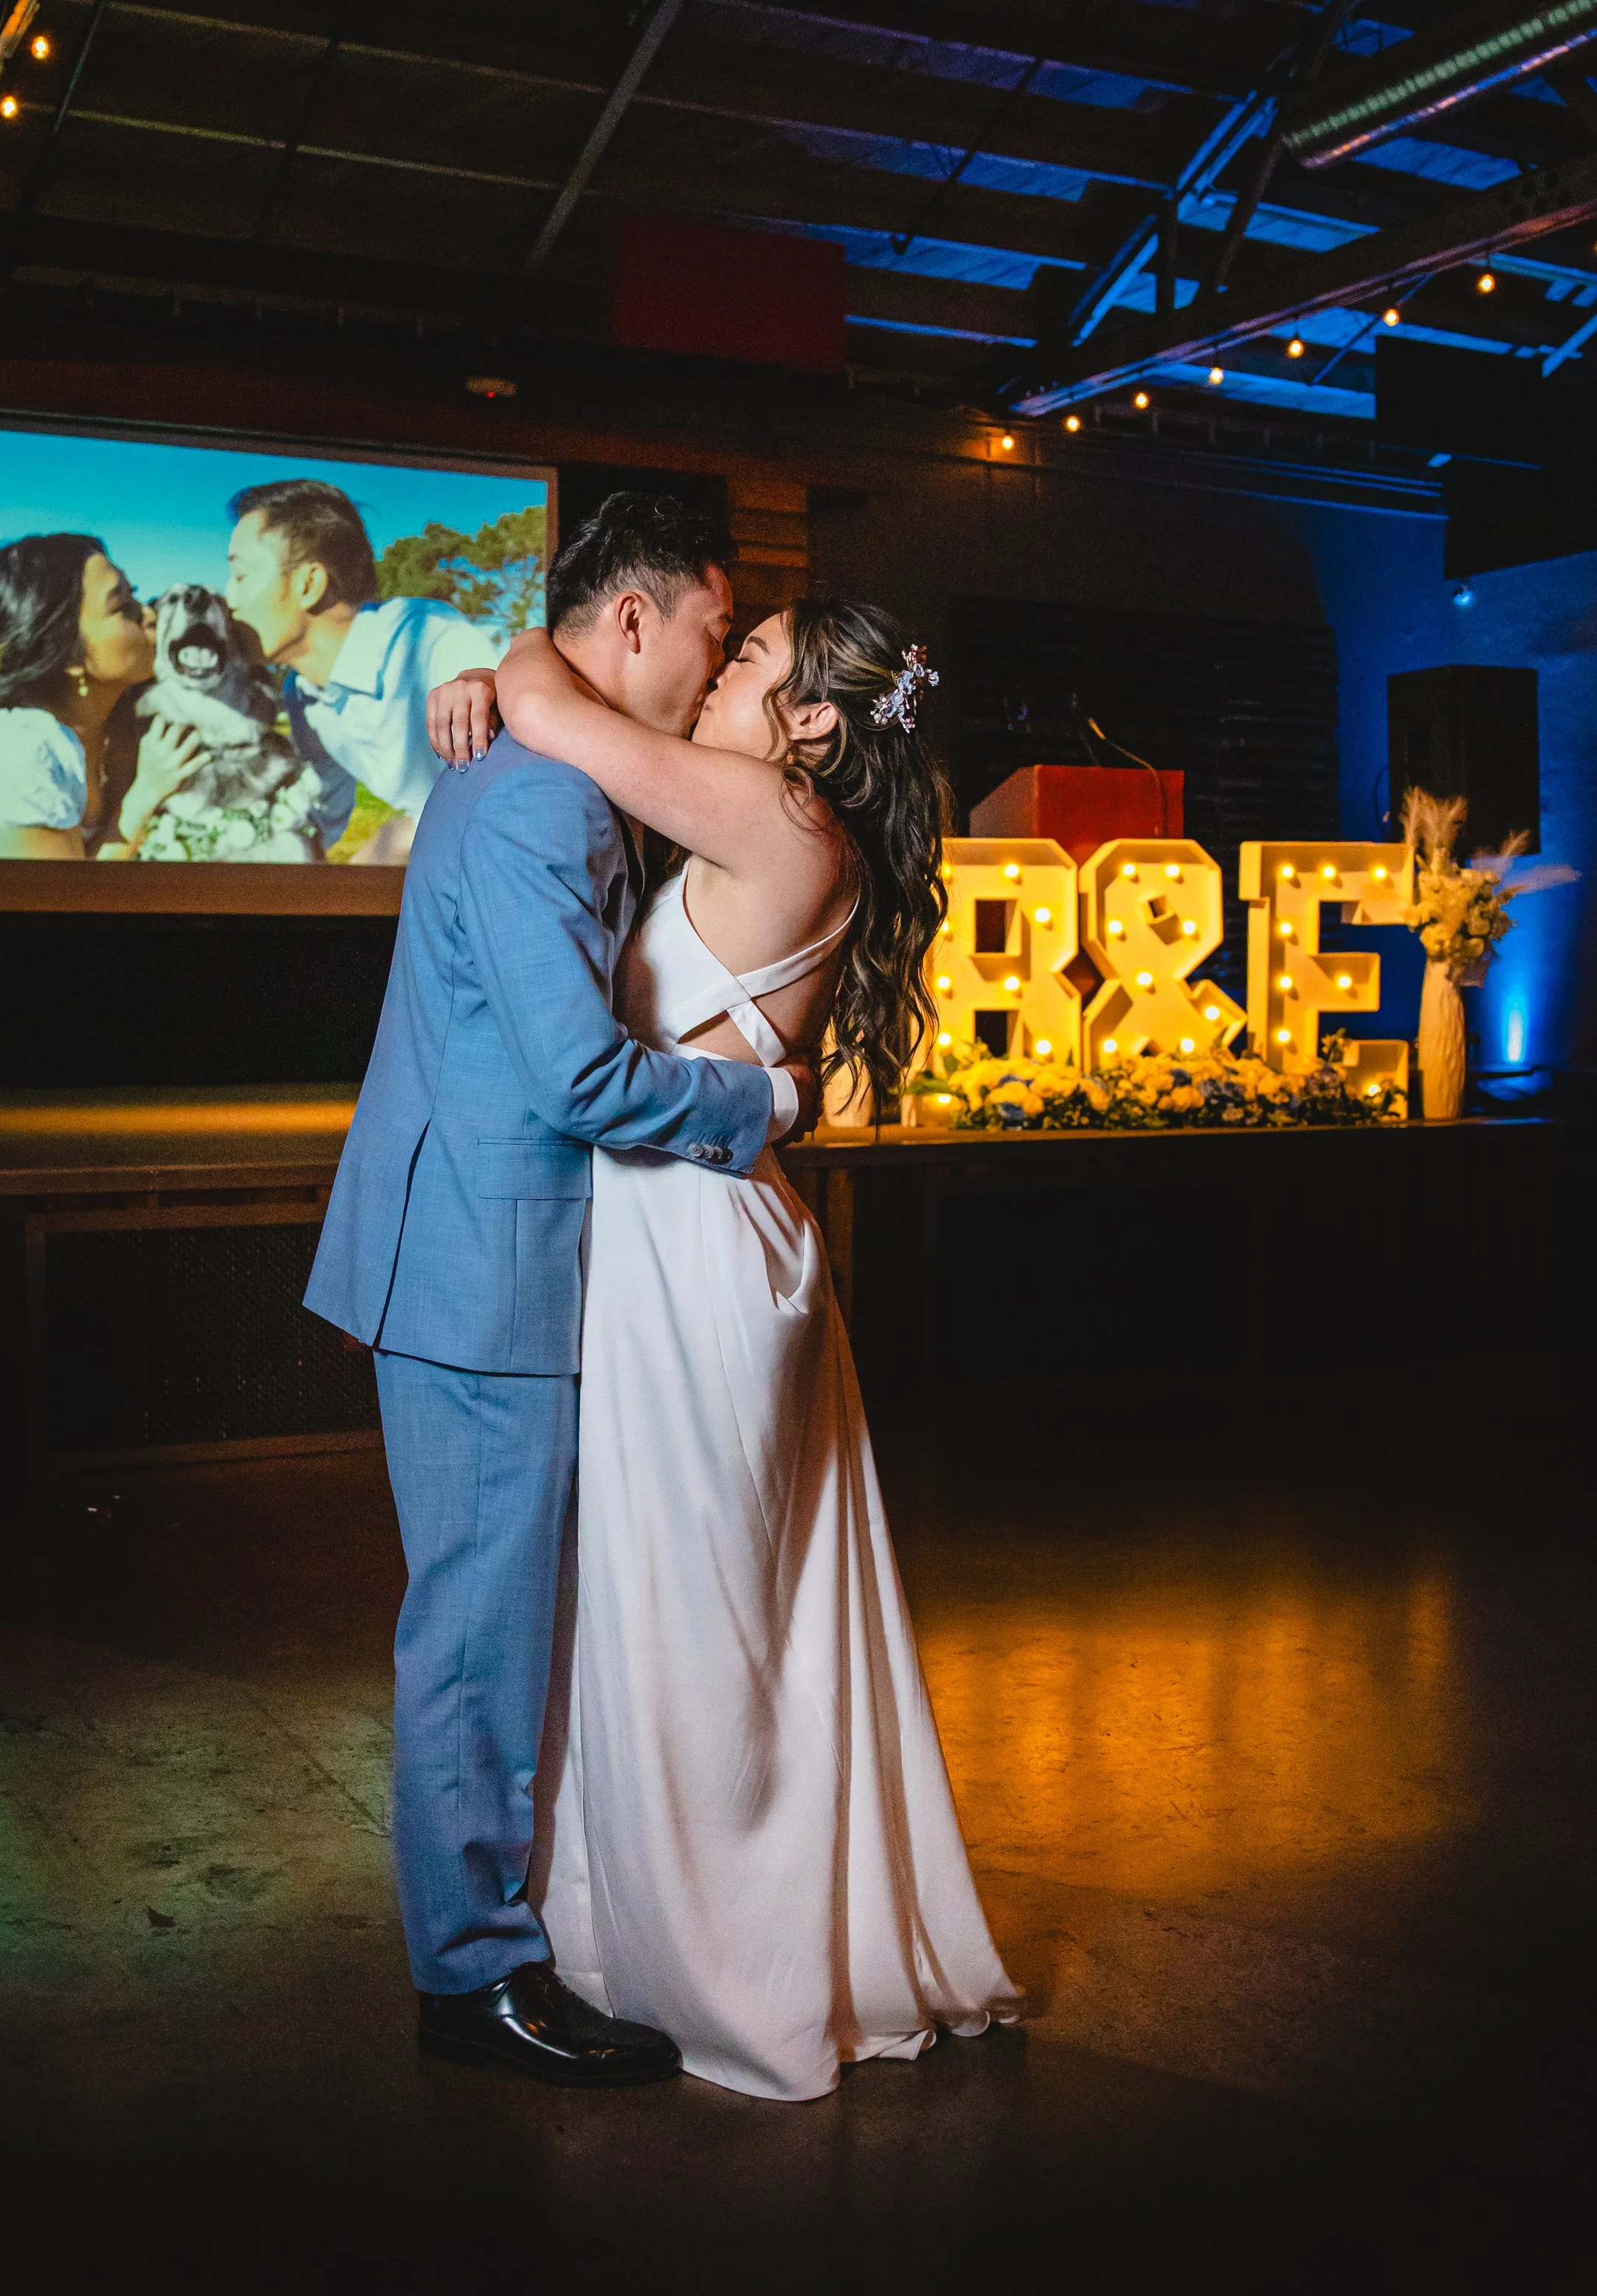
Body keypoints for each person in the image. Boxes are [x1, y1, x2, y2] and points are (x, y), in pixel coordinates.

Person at [426, 587, 1023, 2102]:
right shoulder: (789, 825)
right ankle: (685, 1923)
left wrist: (490, 660)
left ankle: (717, 1956)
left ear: (811, 721)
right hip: (692, 1227)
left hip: (690, 1241)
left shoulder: (769, 806)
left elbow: (553, 702)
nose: (720, 676)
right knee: (698, 1603)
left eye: (749, 657)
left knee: (689, 1612)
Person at [304, 494, 819, 2089]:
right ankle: (471, 1977)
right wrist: (765, 1107)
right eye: (709, 634)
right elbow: (580, 1075)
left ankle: (494, 1939)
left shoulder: (551, 764)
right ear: (633, 626)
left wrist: (508, 665)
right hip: (476, 1266)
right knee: (473, 1632)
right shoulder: (542, 804)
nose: (710, 669)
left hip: (476, 1249)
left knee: (491, 1617)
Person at [222, 478, 502, 865]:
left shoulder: (426, 637)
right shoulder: (301, 695)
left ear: (308, 584)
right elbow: (324, 808)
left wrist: (399, 837)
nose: (228, 600)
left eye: (240, 576)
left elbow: (508, 792)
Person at [0, 533, 205, 861]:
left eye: (134, 596)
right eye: (123, 608)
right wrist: (145, 794)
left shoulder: (125, 722)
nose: (150, 615)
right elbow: (69, 899)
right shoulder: (18, 748)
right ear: (66, 654)